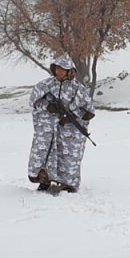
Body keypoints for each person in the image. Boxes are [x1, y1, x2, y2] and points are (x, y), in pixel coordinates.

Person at [27, 53, 95, 193]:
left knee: (69, 156)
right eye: (57, 68)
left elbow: (89, 111)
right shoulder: (45, 85)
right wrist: (47, 106)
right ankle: (44, 181)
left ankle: (67, 184)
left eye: (62, 69)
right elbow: (34, 102)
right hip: (48, 128)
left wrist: (72, 117)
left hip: (69, 131)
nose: (58, 71)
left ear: (70, 71)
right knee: (44, 153)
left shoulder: (78, 89)